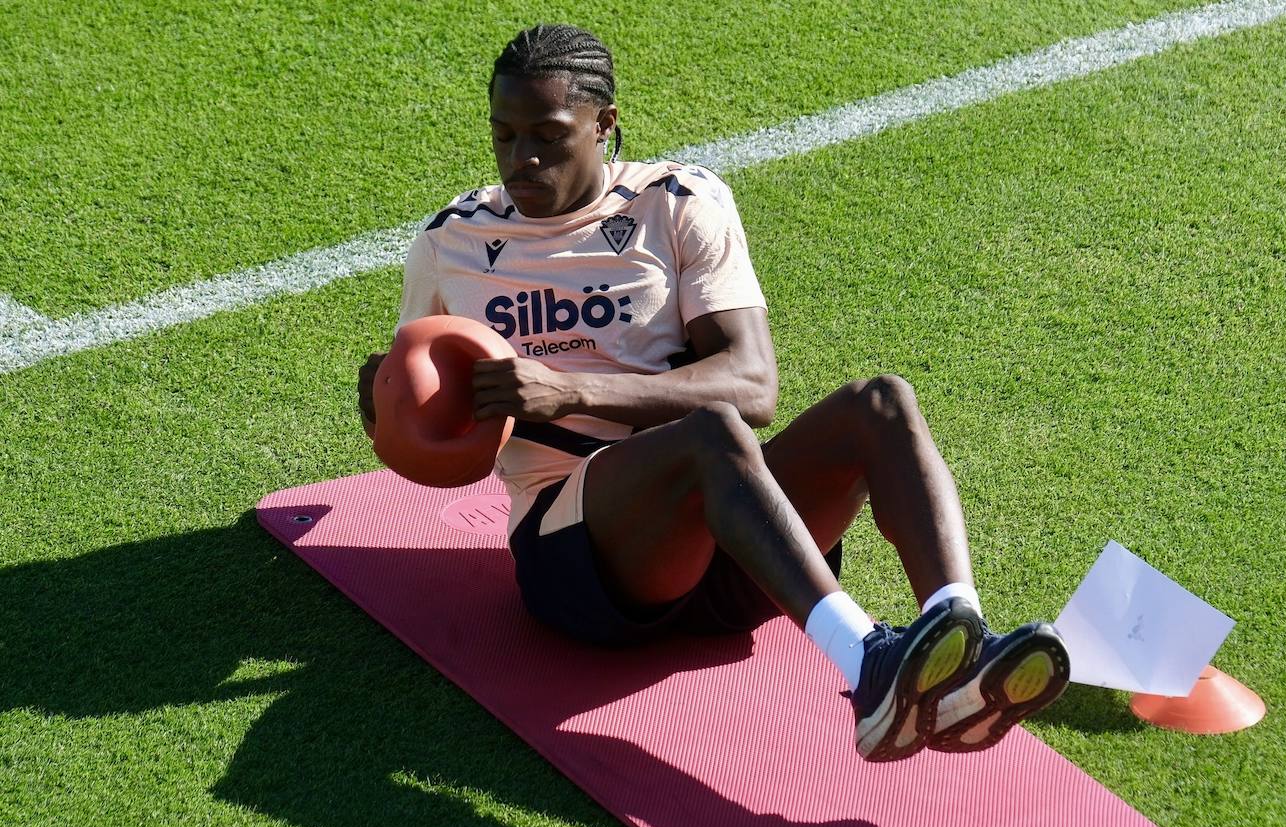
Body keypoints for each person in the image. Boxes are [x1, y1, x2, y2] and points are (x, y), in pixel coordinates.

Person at [358, 23, 1069, 762]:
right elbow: (420, 409)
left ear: (605, 126)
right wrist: (385, 403)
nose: (521, 160)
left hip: (730, 545)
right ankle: (869, 665)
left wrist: (565, 389)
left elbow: (753, 383)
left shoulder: (677, 201)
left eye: (548, 135)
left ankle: (963, 645)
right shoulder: (453, 242)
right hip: (578, 565)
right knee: (710, 437)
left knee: (879, 404)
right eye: (504, 135)